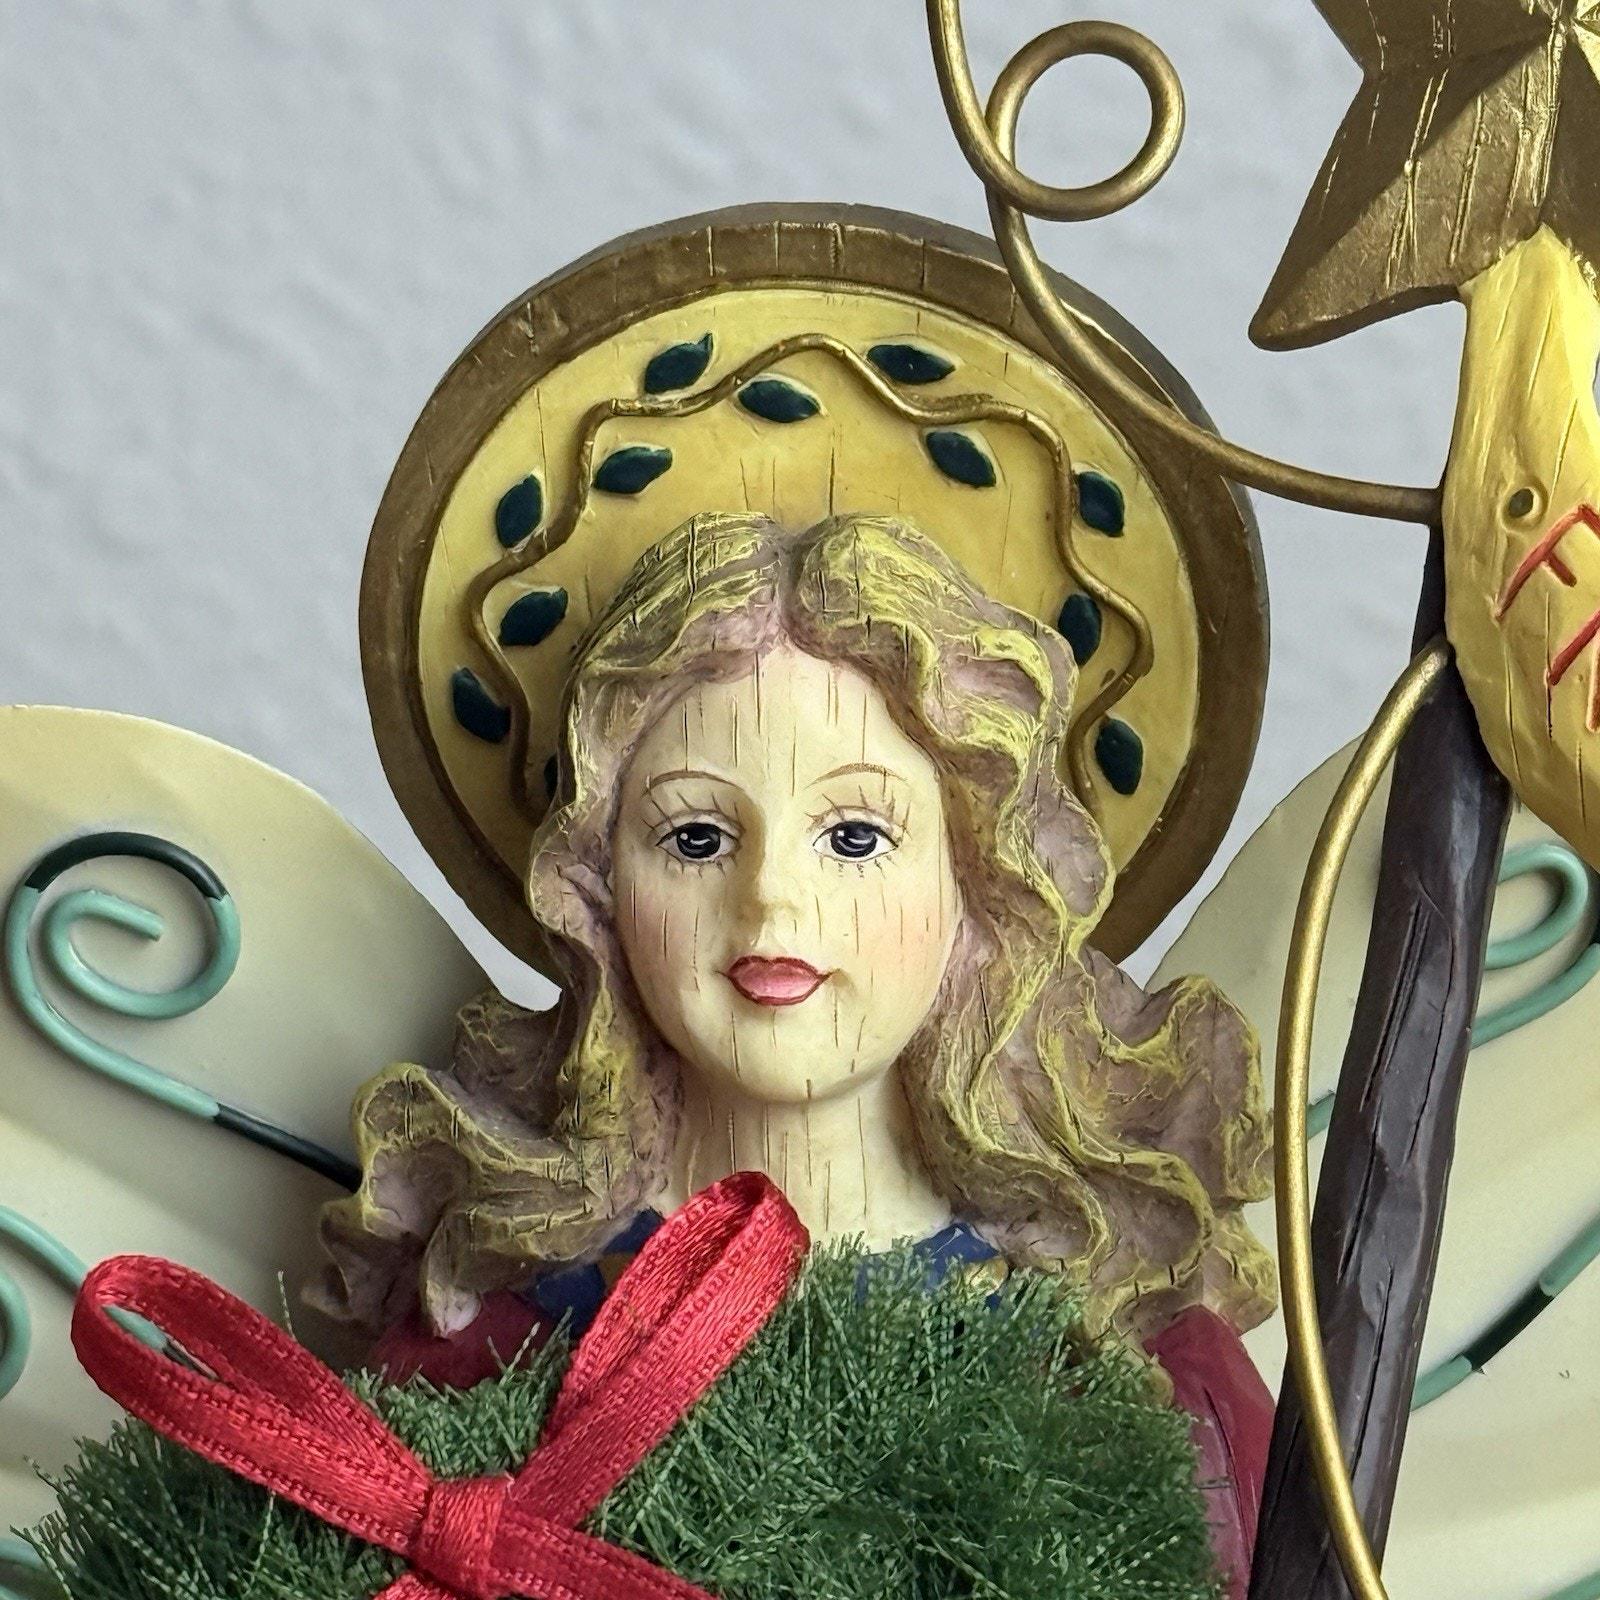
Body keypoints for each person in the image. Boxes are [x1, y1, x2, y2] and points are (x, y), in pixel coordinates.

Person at [316, 511, 1276, 1593]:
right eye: (696, 837)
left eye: (854, 837)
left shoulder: (1121, 1365)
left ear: (978, 889)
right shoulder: (495, 1332)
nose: (770, 896)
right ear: (600, 890)